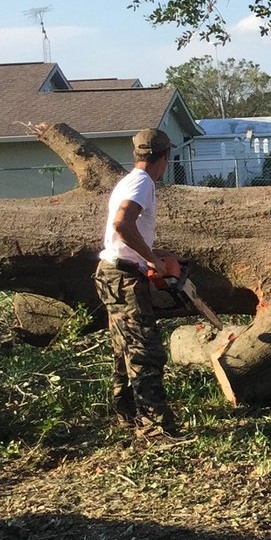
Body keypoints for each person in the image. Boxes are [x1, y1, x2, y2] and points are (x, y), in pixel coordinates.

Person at [97, 128, 182, 436]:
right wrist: (153, 261)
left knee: (123, 350)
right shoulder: (143, 182)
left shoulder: (128, 180)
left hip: (112, 270)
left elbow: (121, 233)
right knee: (145, 352)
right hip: (122, 277)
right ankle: (155, 427)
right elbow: (122, 223)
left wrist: (154, 253)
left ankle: (127, 418)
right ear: (164, 158)